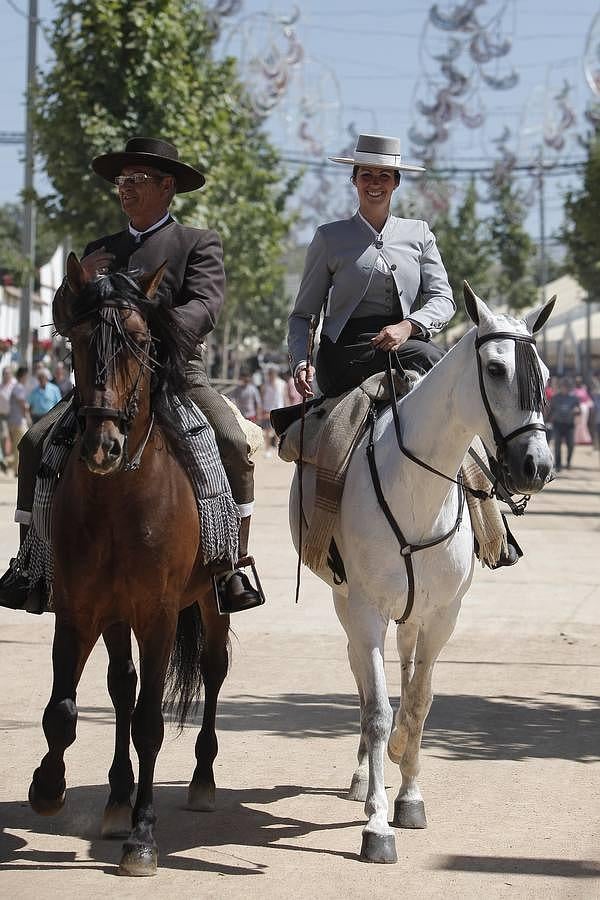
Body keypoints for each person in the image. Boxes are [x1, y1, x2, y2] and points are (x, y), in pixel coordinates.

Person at [0, 137, 262, 613]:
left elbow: (205, 306)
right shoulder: (101, 249)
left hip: (176, 373)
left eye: (137, 180)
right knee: (35, 441)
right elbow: (65, 320)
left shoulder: (196, 242)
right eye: (122, 181)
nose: (126, 189)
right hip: (104, 381)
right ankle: (30, 564)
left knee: (233, 442)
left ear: (167, 187)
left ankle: (231, 567)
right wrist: (73, 284)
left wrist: (146, 328)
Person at [287, 132, 519, 567]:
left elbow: (443, 299)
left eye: (384, 176)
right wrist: (300, 359)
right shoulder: (329, 238)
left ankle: (493, 520)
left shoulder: (420, 234)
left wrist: (408, 325)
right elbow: (303, 315)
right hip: (347, 354)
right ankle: (324, 538)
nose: (375, 182)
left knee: (453, 408)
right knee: (336, 433)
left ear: (396, 183)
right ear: (354, 180)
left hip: (410, 345)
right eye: (366, 175)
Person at [548, 378, 581, 471]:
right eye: (562, 387)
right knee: (557, 445)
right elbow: (550, 410)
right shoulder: (555, 398)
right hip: (558, 424)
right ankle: (558, 465)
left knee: (571, 445)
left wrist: (577, 411)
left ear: (569, 388)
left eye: (566, 387)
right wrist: (548, 420)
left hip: (569, 425)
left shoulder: (574, 398)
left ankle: (568, 462)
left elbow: (579, 410)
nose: (564, 389)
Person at [7, 367, 29, 477]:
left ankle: (16, 469)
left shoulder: (16, 386)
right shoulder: (19, 387)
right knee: (22, 447)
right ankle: (18, 470)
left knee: (17, 447)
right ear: (23, 376)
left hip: (14, 421)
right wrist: (28, 417)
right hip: (19, 421)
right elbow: (23, 405)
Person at [261, 365, 286, 456]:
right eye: (270, 374)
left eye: (272, 374)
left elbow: (285, 396)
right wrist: (262, 410)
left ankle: (277, 448)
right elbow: (262, 398)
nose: (271, 375)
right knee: (267, 430)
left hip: (279, 409)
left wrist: (286, 408)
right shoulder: (265, 385)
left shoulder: (282, 383)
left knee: (278, 430)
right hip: (267, 409)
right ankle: (267, 449)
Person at [571, 375, 593, 445]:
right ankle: (576, 439)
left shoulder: (584, 390)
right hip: (577, 408)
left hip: (584, 409)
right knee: (577, 424)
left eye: (579, 381)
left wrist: (589, 405)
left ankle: (584, 439)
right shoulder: (573, 390)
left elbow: (588, 399)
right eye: (577, 381)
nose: (578, 382)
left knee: (583, 424)